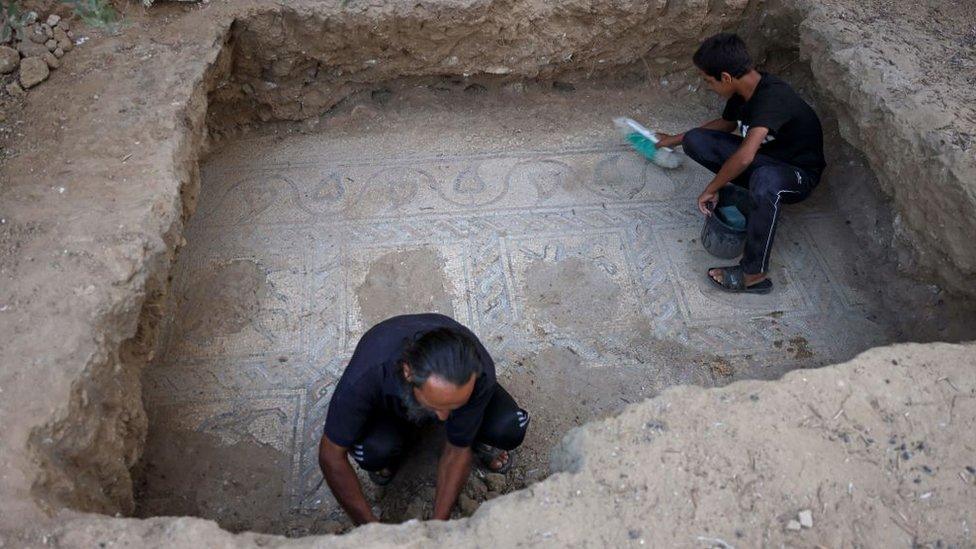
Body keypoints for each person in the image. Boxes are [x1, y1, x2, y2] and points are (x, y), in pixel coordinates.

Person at [318, 313, 529, 524]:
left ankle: (476, 434)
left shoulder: (479, 370)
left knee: (509, 427)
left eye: (455, 406)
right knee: (373, 452)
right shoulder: (367, 375)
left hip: (441, 390)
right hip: (388, 407)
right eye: (436, 405)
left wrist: (438, 526)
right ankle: (392, 452)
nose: (445, 418)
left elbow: (457, 451)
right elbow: (331, 455)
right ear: (408, 373)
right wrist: (371, 529)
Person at [656, 33, 826, 294]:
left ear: (725, 77)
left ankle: (753, 274)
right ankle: (753, 195)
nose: (708, 86)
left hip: (797, 174)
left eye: (708, 81)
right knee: (696, 140)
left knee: (765, 180)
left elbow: (745, 155)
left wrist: (711, 188)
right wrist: (674, 140)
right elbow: (726, 125)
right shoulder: (743, 89)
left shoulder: (772, 98)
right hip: (766, 160)